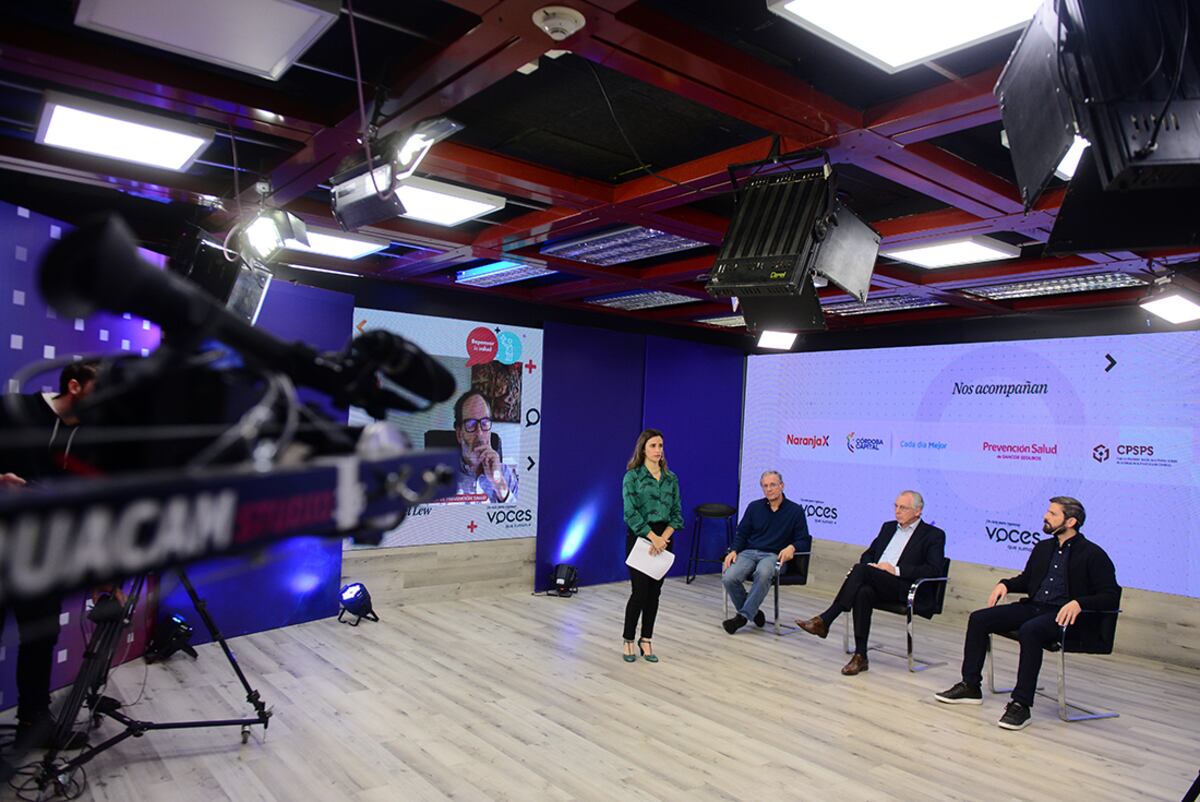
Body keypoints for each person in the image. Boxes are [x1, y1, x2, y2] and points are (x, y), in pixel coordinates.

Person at [934, 496, 1119, 731]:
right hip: (1034, 606)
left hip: (1064, 617)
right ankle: (970, 686)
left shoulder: (1093, 554)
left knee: (1031, 630)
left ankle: (1021, 704)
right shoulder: (1043, 548)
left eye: (1053, 514)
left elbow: (1110, 595)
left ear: (1071, 521)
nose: (1046, 517)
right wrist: (1006, 584)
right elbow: (1027, 579)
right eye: (1048, 512)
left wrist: (1080, 603)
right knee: (979, 619)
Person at [0, 360, 98, 750]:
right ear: (74, 386)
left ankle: (34, 723)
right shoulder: (14, 410)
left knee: (40, 640)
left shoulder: (95, 436)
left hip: (46, 555)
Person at [795, 490, 945, 676]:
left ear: (918, 511)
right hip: (878, 581)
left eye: (903, 508)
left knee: (861, 571)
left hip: (905, 586)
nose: (897, 511)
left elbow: (933, 570)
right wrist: (871, 565)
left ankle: (826, 619)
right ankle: (860, 655)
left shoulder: (933, 535)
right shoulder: (888, 527)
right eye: (896, 506)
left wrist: (895, 570)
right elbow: (868, 554)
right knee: (863, 591)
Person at [621, 428, 683, 664]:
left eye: (660, 446)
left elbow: (677, 513)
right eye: (653, 446)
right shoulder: (632, 477)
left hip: (664, 539)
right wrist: (652, 537)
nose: (658, 450)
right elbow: (630, 513)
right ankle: (628, 639)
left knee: (655, 593)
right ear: (643, 449)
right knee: (639, 592)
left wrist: (663, 538)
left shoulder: (671, 478)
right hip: (640, 538)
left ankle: (646, 639)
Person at [721, 470, 810, 634]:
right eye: (765, 486)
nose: (769, 489)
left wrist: (792, 547)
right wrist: (734, 550)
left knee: (763, 573)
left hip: (774, 555)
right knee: (729, 577)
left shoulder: (795, 511)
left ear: (781, 486)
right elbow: (742, 533)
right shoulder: (754, 507)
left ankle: (742, 617)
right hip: (749, 552)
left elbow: (804, 539)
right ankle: (753, 613)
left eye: (773, 485)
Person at [452, 389, 517, 503]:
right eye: (471, 424)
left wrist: (500, 485)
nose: (479, 433)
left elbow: (524, 513)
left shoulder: (506, 474)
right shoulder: (442, 478)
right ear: (459, 434)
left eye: (485, 423)